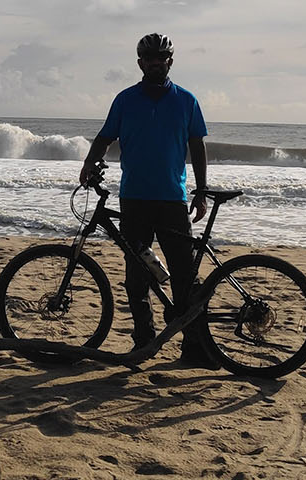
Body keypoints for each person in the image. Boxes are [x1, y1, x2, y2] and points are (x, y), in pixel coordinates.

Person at [78, 33, 216, 368]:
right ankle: (144, 342)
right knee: (137, 275)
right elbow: (105, 137)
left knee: (184, 275)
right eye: (149, 59)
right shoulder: (125, 100)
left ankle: (196, 347)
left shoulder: (186, 100)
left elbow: (197, 146)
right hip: (134, 199)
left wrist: (201, 189)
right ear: (140, 63)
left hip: (172, 199)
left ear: (170, 61)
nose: (156, 63)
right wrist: (87, 164)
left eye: (162, 58)